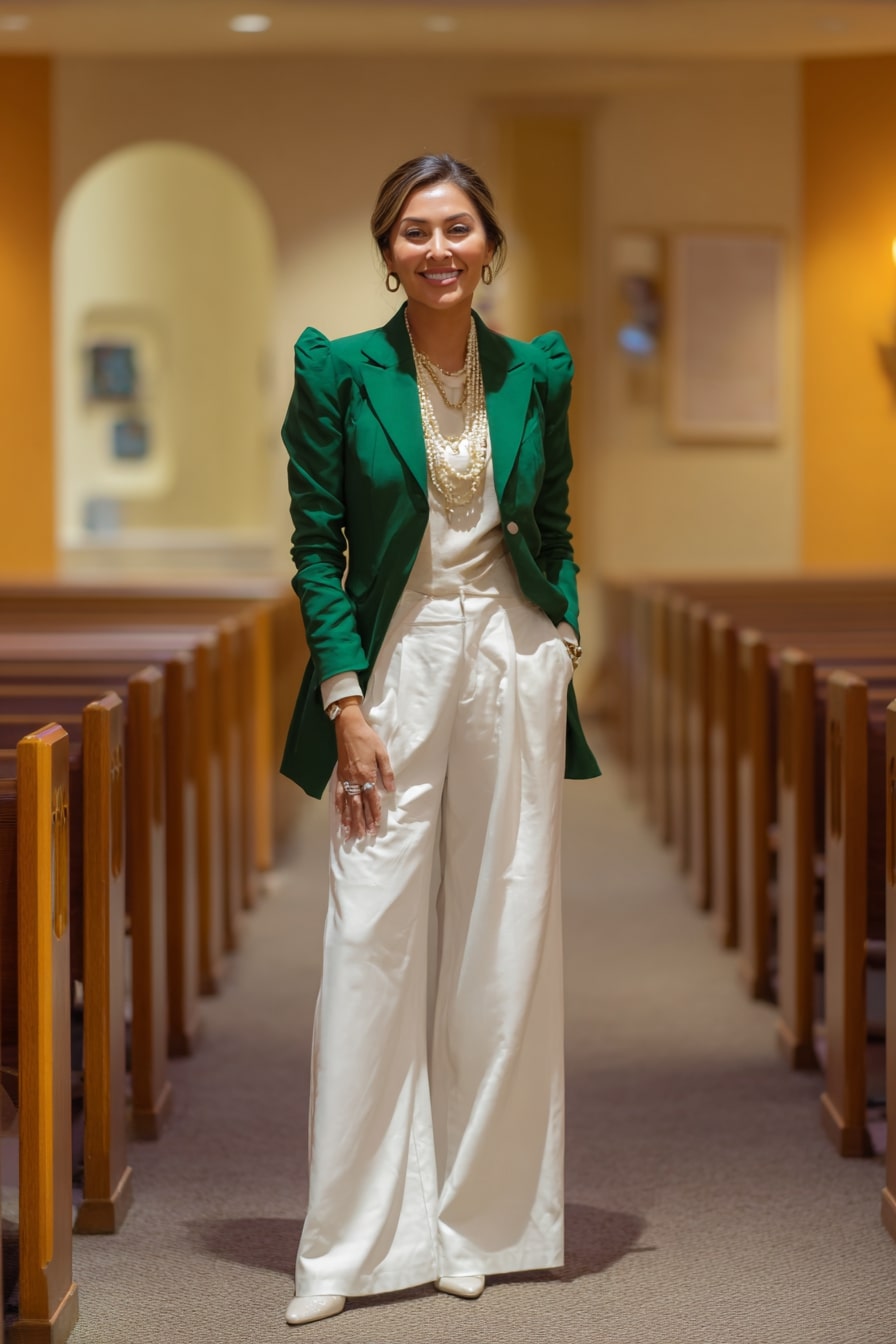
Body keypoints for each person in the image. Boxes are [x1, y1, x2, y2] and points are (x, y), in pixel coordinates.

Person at [279, 152, 600, 1327]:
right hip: (395, 660)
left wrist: (560, 627)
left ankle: (477, 1223)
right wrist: (345, 701)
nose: (437, 248)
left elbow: (551, 519)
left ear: (487, 244)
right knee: (369, 933)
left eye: (456, 228)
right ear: (388, 251)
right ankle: (346, 1246)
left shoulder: (534, 373)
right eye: (414, 231)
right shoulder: (337, 371)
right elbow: (316, 549)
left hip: (511, 657)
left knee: (500, 935)